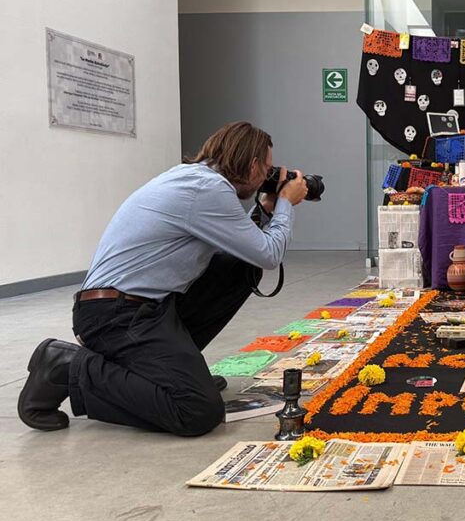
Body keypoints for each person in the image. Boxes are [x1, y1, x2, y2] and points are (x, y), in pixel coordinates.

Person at [17, 121, 308, 436]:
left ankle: (173, 371)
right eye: (266, 169)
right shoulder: (207, 189)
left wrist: (265, 208)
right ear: (251, 164)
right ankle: (66, 366)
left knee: (238, 266)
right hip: (114, 316)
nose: (267, 177)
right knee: (197, 412)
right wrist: (285, 205)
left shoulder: (194, 179)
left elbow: (249, 250)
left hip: (140, 307)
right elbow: (268, 254)